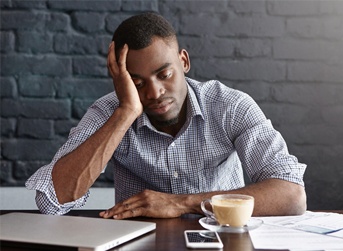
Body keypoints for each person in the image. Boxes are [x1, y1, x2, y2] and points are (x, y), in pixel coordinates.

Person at [26, 12, 307, 219]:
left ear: (183, 61)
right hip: (137, 243)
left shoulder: (230, 106)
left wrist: (182, 202)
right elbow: (51, 202)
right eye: (138, 83)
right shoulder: (110, 112)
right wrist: (126, 112)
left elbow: (292, 196)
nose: (155, 92)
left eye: (164, 74)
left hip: (223, 241)